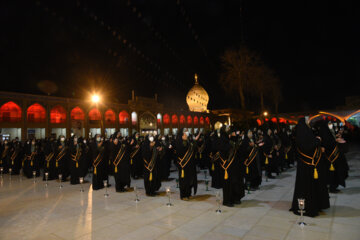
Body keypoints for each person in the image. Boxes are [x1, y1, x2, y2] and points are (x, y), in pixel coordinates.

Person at [290, 117, 330, 217]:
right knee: (307, 188)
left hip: (309, 167)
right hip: (306, 167)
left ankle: (316, 205)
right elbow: (307, 147)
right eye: (307, 121)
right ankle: (308, 207)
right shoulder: (302, 134)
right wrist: (317, 140)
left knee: (313, 187)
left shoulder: (306, 132)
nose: (308, 122)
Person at [318, 121, 349, 193]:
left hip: (333, 156)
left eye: (331, 124)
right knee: (332, 173)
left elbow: (330, 139)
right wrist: (336, 140)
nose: (330, 125)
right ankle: (332, 187)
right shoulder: (324, 132)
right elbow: (326, 143)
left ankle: (333, 186)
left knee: (333, 172)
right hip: (330, 157)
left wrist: (336, 137)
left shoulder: (329, 131)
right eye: (329, 124)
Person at [175, 128, 199, 200]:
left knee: (190, 180)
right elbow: (179, 152)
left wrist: (194, 141)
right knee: (183, 181)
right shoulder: (179, 142)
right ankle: (183, 195)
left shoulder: (189, 141)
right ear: (182, 134)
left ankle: (189, 193)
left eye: (187, 132)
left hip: (190, 164)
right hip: (183, 165)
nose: (187, 133)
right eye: (185, 132)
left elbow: (194, 150)